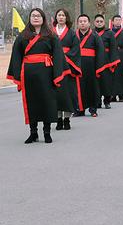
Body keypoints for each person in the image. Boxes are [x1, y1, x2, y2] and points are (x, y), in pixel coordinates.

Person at [7, 8, 66, 144]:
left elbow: (58, 55)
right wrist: (18, 76)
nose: (35, 18)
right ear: (30, 18)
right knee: (31, 102)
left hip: (46, 73)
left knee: (47, 101)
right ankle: (33, 133)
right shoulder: (22, 36)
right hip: (28, 74)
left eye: (38, 16)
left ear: (43, 18)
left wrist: (57, 74)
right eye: (33, 16)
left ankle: (47, 133)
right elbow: (16, 56)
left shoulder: (51, 35)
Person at [53, 8, 81, 130]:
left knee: (68, 93)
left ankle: (67, 119)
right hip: (53, 66)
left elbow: (76, 49)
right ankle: (58, 119)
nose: (61, 17)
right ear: (56, 17)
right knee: (56, 93)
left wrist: (64, 58)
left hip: (68, 67)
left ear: (66, 18)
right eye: (59, 15)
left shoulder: (72, 33)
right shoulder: (50, 33)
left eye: (63, 15)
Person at [74, 14, 107, 117]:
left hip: (91, 66)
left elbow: (100, 51)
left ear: (89, 23)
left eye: (85, 21)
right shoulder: (74, 35)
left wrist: (99, 67)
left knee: (92, 87)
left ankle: (93, 109)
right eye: (80, 21)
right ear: (77, 23)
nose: (82, 23)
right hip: (78, 66)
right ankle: (80, 109)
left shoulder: (95, 36)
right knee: (79, 88)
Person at [94, 14, 120, 109]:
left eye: (101, 21)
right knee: (96, 83)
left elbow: (113, 48)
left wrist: (112, 62)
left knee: (106, 82)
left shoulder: (110, 33)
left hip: (107, 61)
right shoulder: (92, 33)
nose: (99, 23)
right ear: (94, 22)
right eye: (97, 21)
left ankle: (107, 101)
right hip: (95, 60)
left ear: (104, 22)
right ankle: (97, 101)